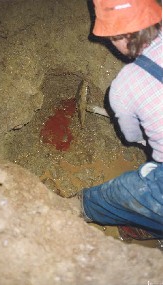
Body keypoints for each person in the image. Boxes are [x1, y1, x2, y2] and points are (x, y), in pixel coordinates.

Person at [80, 0, 163, 239]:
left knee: (110, 197)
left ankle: (73, 210)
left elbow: (132, 136)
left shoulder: (123, 87)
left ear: (117, 37)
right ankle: (142, 228)